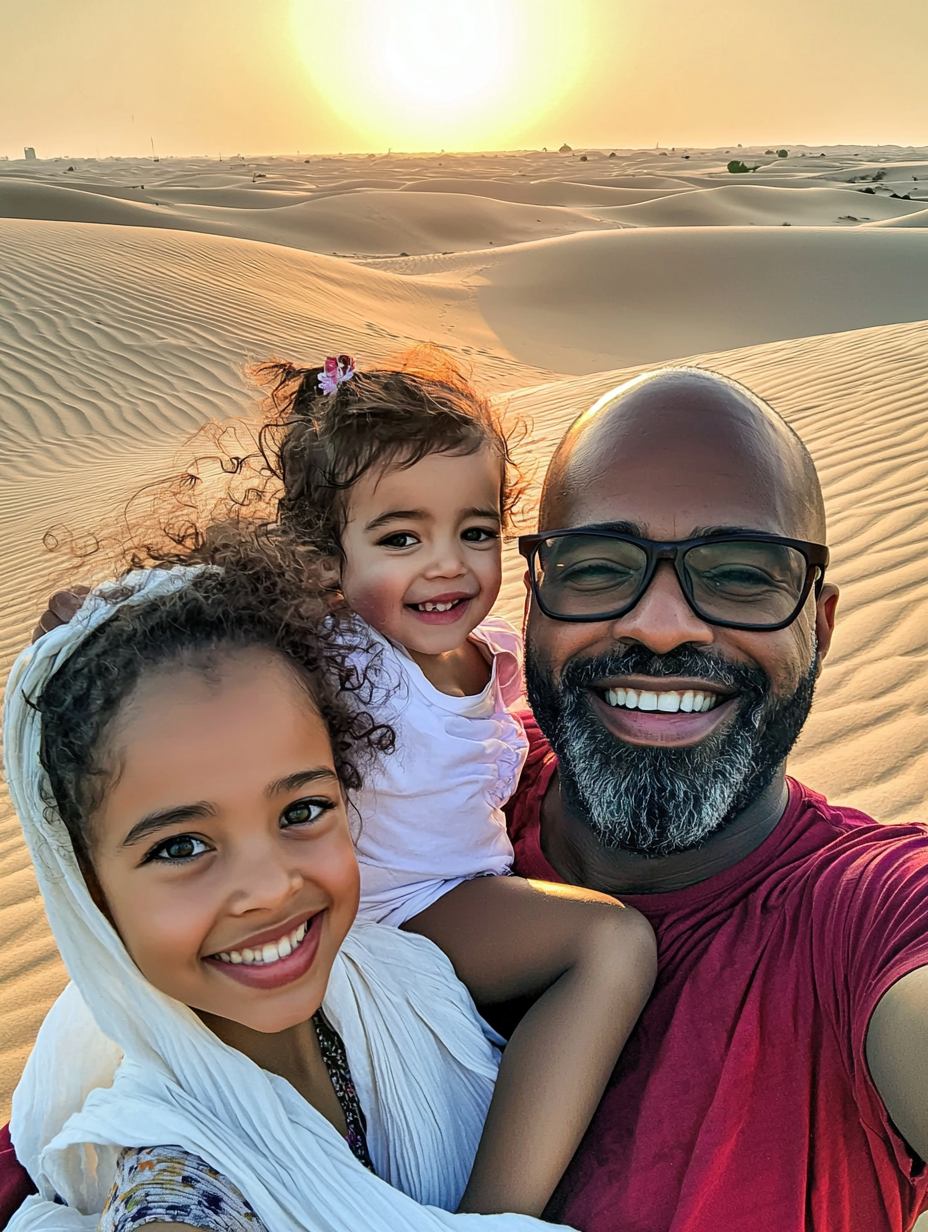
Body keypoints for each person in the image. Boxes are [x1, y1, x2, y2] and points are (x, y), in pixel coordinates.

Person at [3, 531, 563, 1232]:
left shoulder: (399, 974)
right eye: (181, 846)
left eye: (301, 810)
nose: (269, 887)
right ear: (89, 893)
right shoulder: (175, 1183)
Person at [505, 367, 928, 1231]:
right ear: (531, 605)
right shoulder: (402, 795)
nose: (662, 626)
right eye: (597, 567)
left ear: (823, 626)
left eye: (741, 574)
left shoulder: (873, 917)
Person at [253, 352, 655, 1216]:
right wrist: (100, 607)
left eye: (473, 532)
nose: (446, 565)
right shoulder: (345, 659)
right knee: (610, 946)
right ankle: (494, 1216)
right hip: (394, 919)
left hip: (463, 898)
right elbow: (204, 619)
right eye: (400, 539)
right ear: (329, 555)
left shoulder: (491, 652)